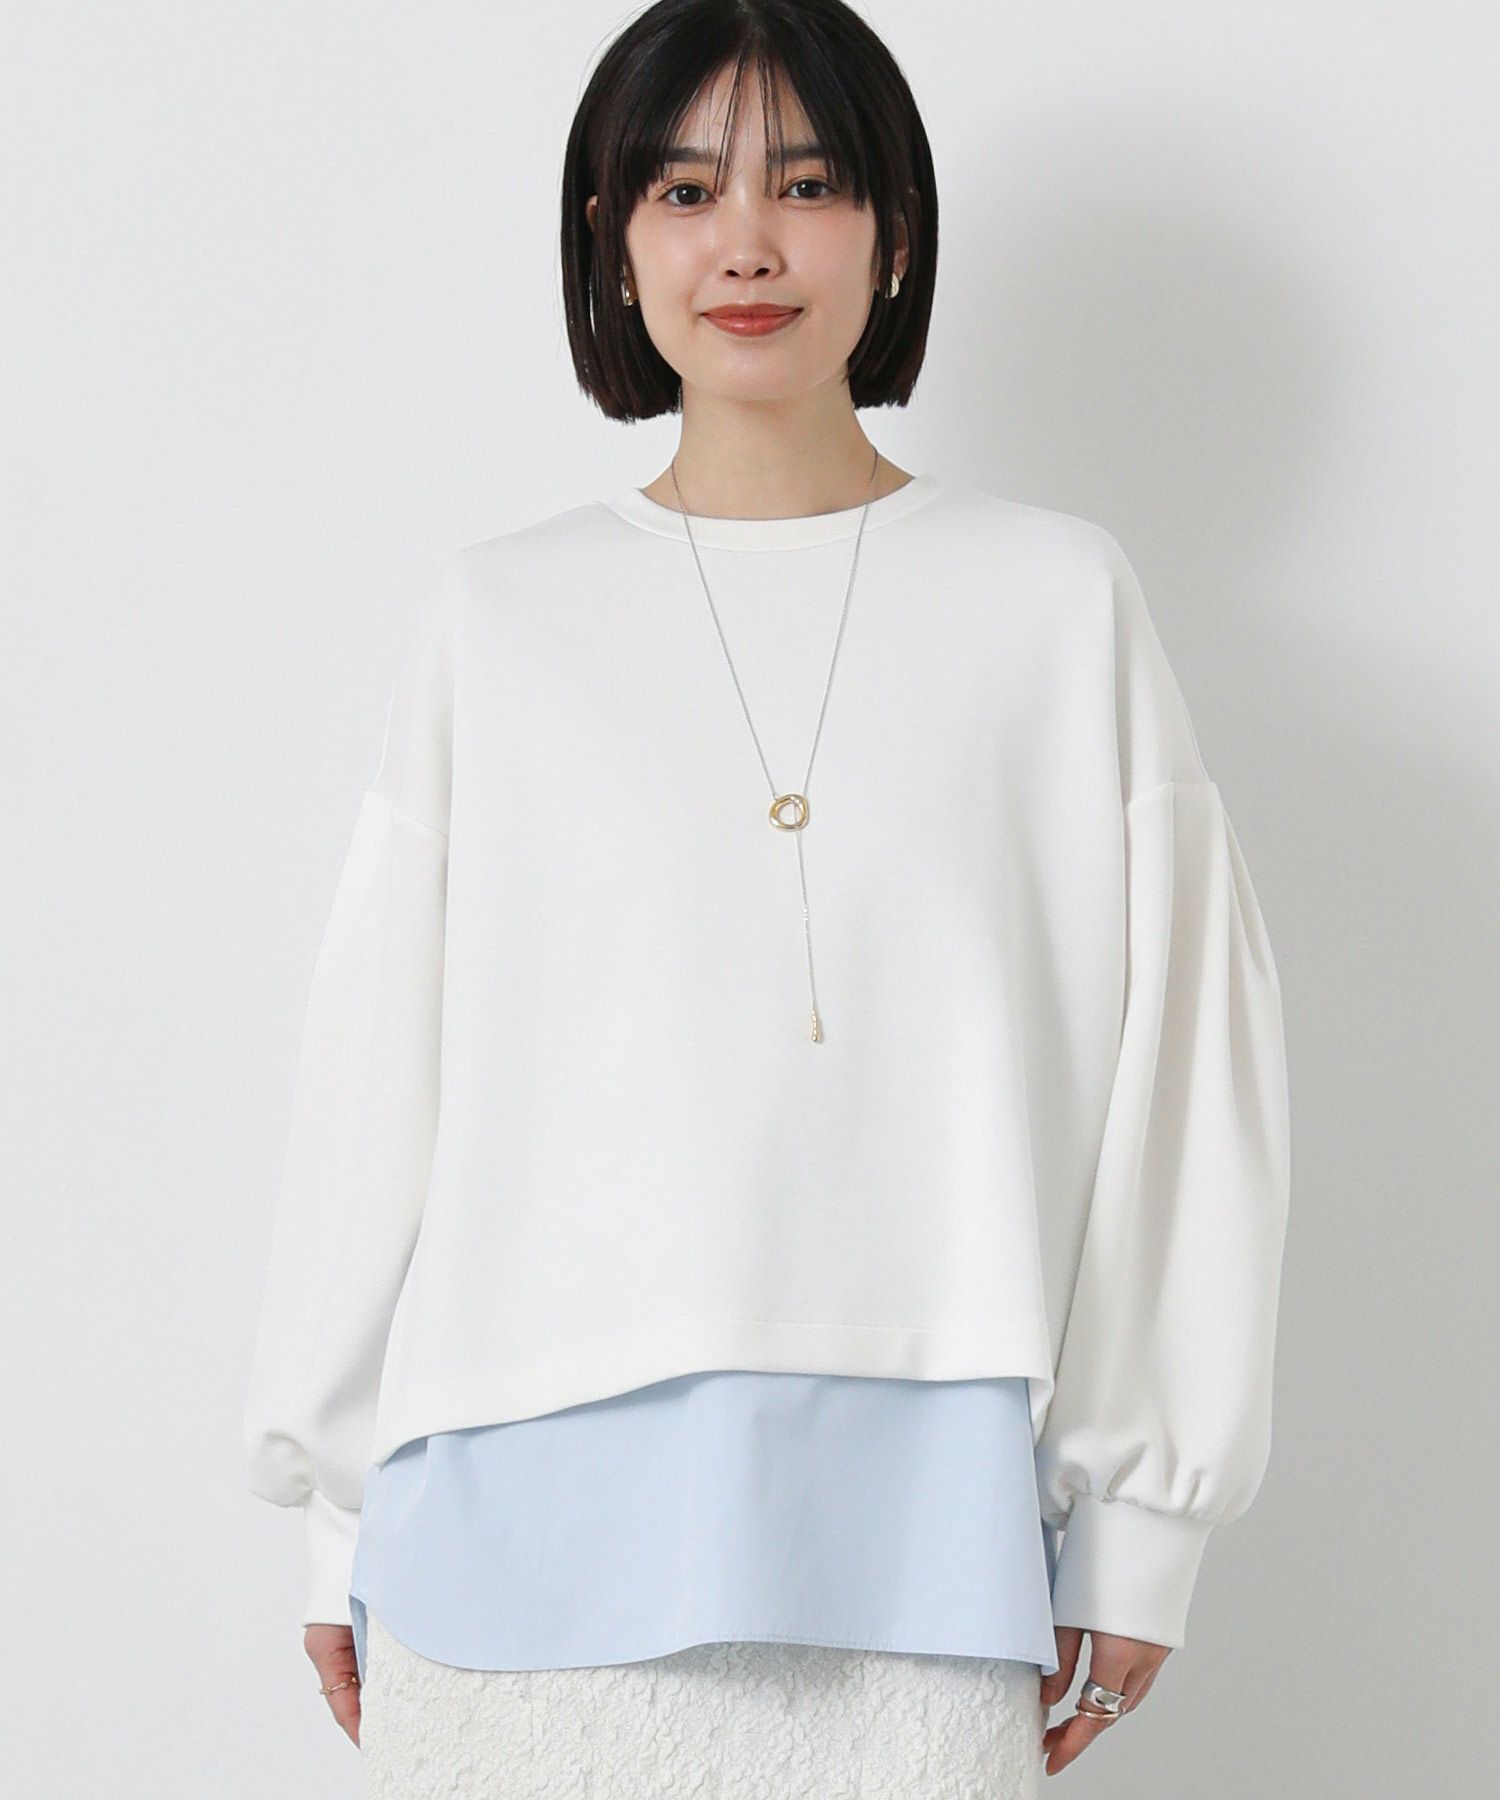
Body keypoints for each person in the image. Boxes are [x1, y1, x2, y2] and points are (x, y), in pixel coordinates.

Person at [242, 2, 1292, 1793]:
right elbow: (376, 1084)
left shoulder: (1057, 606)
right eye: (684, 190)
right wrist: (335, 1507)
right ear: (611, 237)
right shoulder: (499, 619)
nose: (745, 243)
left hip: (921, 1546)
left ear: (896, 233)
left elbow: (1183, 1077)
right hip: (503, 1537)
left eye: (807, 185)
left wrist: (1143, 1523)